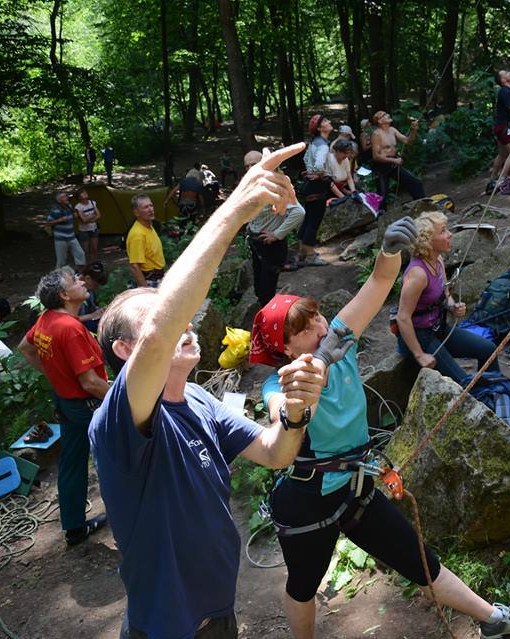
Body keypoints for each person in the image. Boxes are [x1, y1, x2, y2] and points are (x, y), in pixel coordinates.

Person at [252, 217, 510, 639]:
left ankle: (493, 619)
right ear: (284, 347)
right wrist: (314, 372)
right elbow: (287, 414)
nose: (320, 328)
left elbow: (377, 283)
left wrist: (390, 252)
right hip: (306, 501)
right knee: (303, 585)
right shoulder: (279, 384)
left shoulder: (338, 339)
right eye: (304, 329)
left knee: (418, 557)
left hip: (355, 486)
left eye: (316, 317)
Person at [89, 142, 326, 639]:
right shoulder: (118, 421)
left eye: (179, 315)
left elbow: (273, 452)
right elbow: (162, 328)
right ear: (126, 350)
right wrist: (236, 209)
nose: (184, 324)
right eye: (161, 318)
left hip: (219, 612)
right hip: (169, 626)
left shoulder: (199, 400)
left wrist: (298, 413)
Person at [17, 267, 110, 546]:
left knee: (71, 461)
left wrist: (55, 373)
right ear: (64, 295)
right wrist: (122, 396)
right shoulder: (69, 328)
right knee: (115, 458)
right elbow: (91, 383)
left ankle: (74, 527)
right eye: (75, 281)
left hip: (65, 400)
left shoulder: (47, 319)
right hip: (86, 404)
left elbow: (25, 347)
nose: (82, 281)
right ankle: (133, 515)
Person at [395, 210, 500, 385]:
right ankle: (482, 402)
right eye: (443, 231)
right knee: (464, 383)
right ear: (428, 241)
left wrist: (452, 306)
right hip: (420, 337)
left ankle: (497, 392)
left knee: (488, 349)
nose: (450, 234)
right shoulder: (417, 274)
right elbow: (402, 317)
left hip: (439, 328)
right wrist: (419, 355)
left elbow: (445, 294)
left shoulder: (438, 260)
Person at [243, 150, 306, 305]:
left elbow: (299, 212)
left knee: (266, 292)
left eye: (254, 164)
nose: (251, 168)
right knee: (259, 289)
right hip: (257, 242)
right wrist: (251, 224)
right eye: (247, 166)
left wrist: (277, 234)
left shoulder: (276, 185)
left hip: (271, 246)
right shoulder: (254, 185)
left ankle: (271, 324)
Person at [294, 114, 334, 268]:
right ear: (319, 128)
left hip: (308, 186)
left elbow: (305, 160)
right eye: (325, 121)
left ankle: (302, 253)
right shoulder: (323, 145)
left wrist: (310, 171)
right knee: (314, 222)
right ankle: (310, 256)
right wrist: (324, 174)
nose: (329, 121)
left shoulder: (314, 143)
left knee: (309, 220)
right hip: (317, 187)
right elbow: (318, 165)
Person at [371, 110, 424, 207]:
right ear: (379, 121)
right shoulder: (377, 134)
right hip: (381, 167)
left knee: (415, 183)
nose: (388, 115)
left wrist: (414, 130)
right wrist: (394, 160)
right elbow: (376, 156)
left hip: (393, 164)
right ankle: (379, 217)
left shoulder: (392, 130)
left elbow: (408, 141)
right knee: (382, 196)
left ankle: (422, 205)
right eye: (384, 115)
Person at [126, 194, 166, 288]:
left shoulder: (149, 226)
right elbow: (134, 266)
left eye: (151, 205)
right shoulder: (137, 234)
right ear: (136, 212)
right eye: (145, 207)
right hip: (149, 282)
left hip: (158, 277)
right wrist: (145, 290)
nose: (150, 209)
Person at [45, 192, 86, 269]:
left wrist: (75, 215)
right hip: (61, 238)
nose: (67, 197)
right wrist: (59, 220)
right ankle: (59, 277)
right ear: (59, 200)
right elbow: (48, 223)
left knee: (80, 254)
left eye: (66, 196)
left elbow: (72, 213)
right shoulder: (55, 210)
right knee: (61, 260)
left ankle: (81, 274)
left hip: (71, 236)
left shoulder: (68, 206)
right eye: (64, 197)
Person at [78, 261, 108, 333]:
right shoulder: (73, 291)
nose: (96, 288)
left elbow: (91, 308)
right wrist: (91, 316)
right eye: (95, 285)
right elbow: (68, 319)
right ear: (87, 278)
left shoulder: (88, 288)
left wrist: (100, 311)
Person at [74, 187, 102, 264]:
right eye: (83, 193)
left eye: (85, 192)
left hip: (94, 228)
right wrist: (92, 216)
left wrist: (88, 218)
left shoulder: (92, 203)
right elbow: (83, 220)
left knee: (94, 248)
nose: (85, 194)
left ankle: (94, 263)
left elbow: (99, 215)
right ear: (79, 197)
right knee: (85, 250)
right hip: (84, 231)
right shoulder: (78, 207)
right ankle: (86, 265)